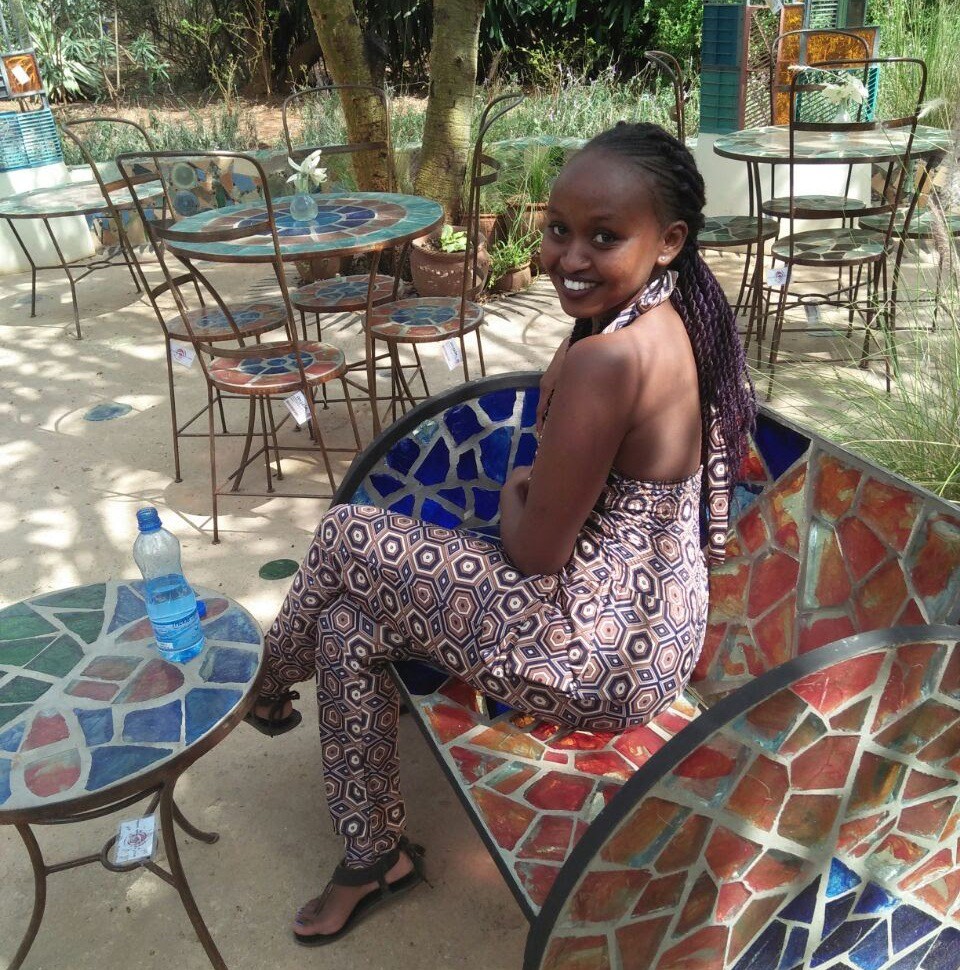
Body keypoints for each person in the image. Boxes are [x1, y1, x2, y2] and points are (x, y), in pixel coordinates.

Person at [245, 121, 756, 946]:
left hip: (598, 651)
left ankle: (264, 685)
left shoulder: (612, 358)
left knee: (345, 534)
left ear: (668, 241)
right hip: (649, 634)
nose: (569, 257)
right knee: (346, 626)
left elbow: (533, 550)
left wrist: (520, 488)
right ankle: (373, 856)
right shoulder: (667, 316)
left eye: (604, 237)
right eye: (558, 229)